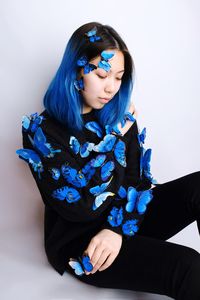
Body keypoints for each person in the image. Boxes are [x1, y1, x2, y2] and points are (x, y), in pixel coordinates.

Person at [16, 22, 200, 300]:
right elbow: (81, 208)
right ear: (76, 71)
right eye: (102, 74)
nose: (112, 88)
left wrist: (116, 230)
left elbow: (137, 182)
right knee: (188, 266)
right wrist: (114, 138)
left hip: (124, 221)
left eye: (119, 77)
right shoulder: (41, 131)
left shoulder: (118, 115)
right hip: (82, 240)